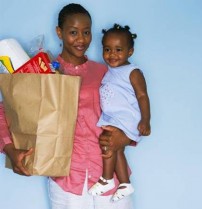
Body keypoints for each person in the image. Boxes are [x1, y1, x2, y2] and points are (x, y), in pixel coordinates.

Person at [0, 4, 134, 209]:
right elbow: (6, 110)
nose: (81, 39)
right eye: (73, 32)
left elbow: (130, 110)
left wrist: (124, 137)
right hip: (66, 179)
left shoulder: (106, 73)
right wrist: (10, 149)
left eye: (86, 32)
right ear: (59, 33)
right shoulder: (42, 72)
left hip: (111, 176)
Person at [88, 24, 151, 202]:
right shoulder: (110, 71)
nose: (112, 54)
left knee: (108, 142)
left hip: (125, 118)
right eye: (107, 49)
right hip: (114, 117)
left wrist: (146, 120)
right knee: (117, 150)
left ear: (130, 51)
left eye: (118, 50)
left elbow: (142, 96)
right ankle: (124, 183)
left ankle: (106, 179)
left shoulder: (133, 72)